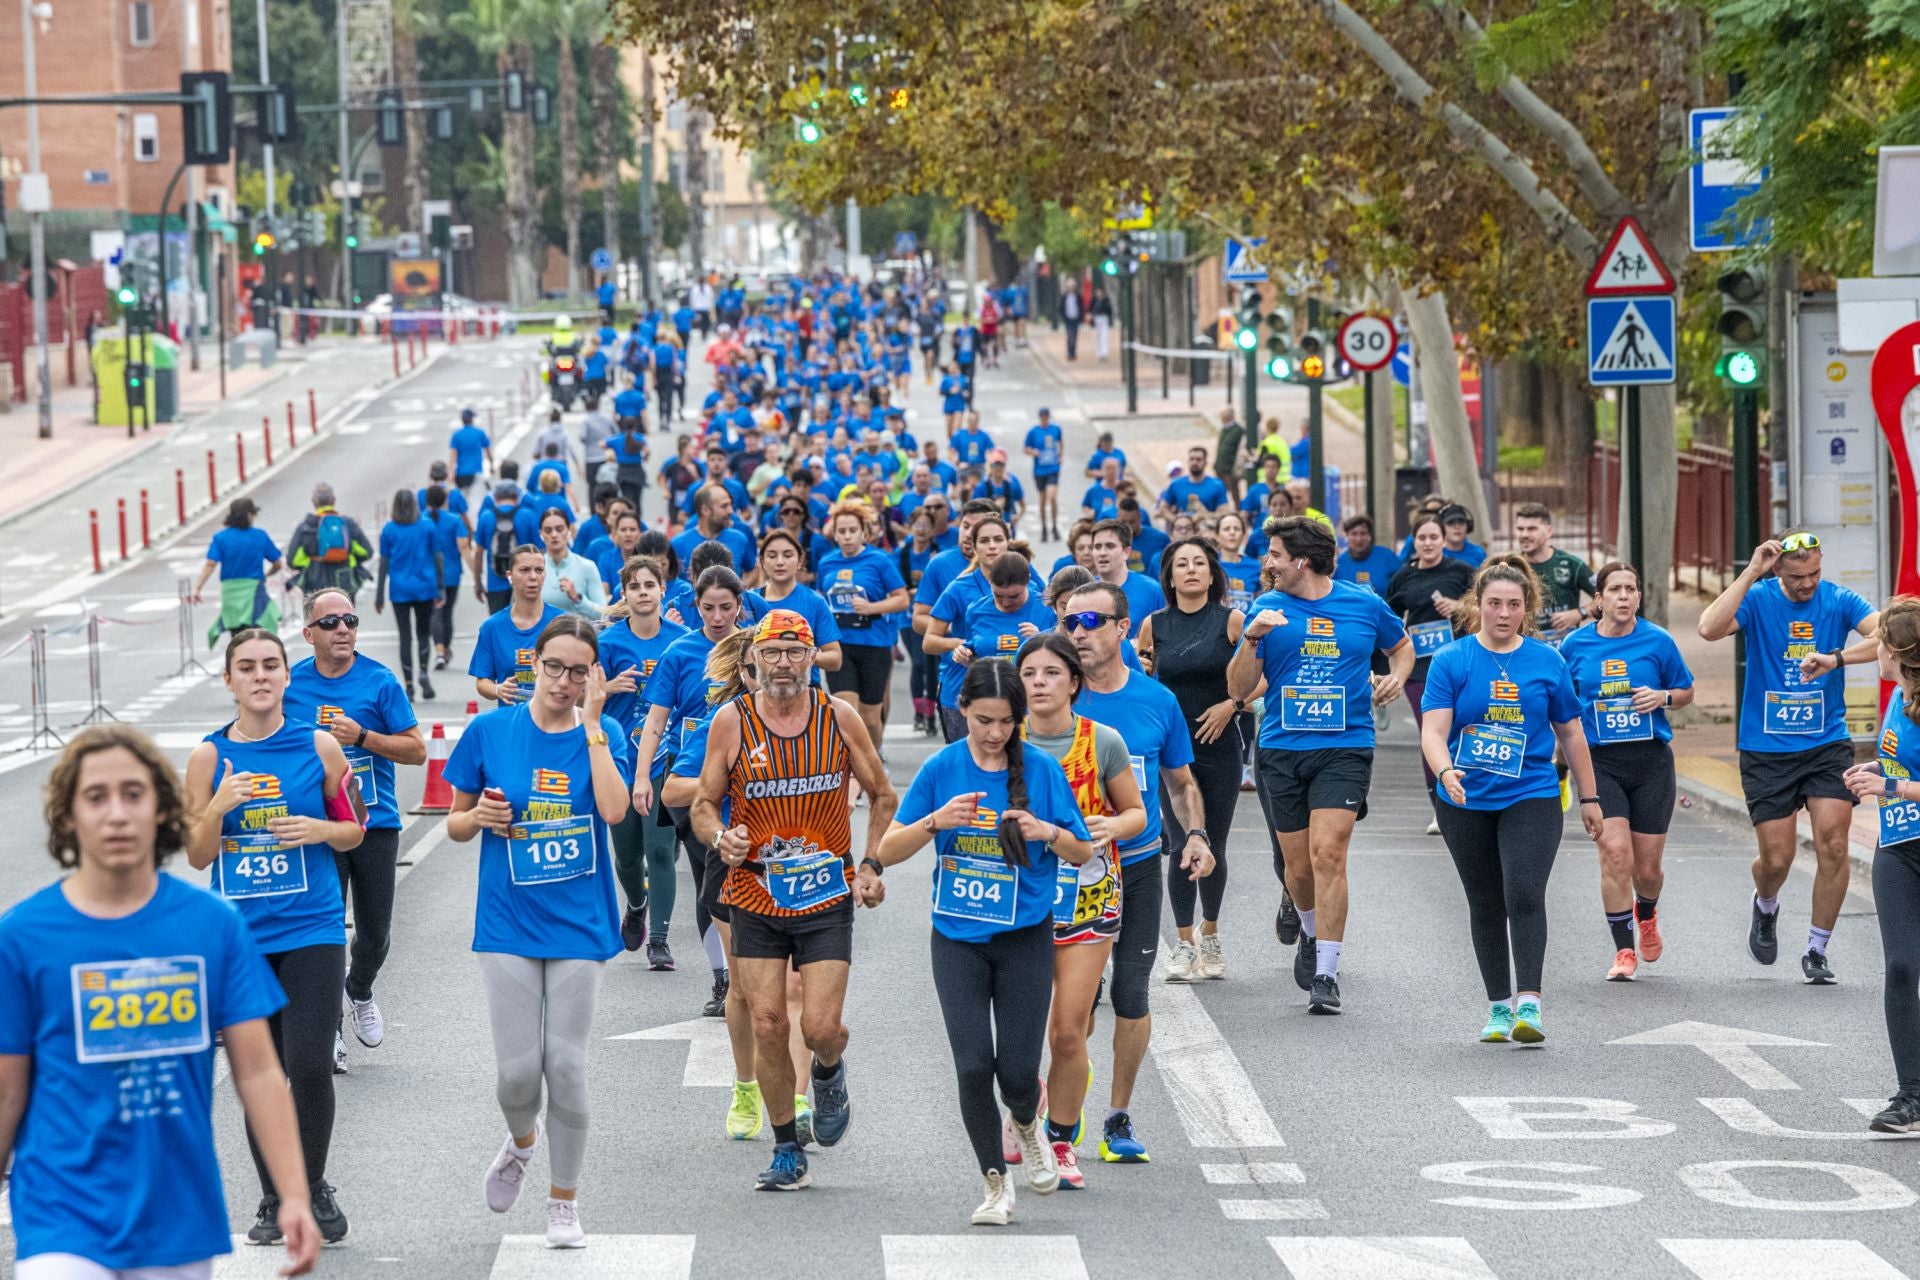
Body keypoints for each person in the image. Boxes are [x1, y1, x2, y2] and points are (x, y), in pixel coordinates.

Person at [0, 726, 323, 1278]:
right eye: (95, 798)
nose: (117, 814)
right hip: (62, 1210)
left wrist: (295, 1194)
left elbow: (260, 1073)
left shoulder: (212, 926)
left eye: (134, 793)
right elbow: (9, 1088)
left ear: (161, 809)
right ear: (68, 817)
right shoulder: (25, 935)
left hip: (178, 1215)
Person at [863, 658, 1090, 1221]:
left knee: (1016, 1071)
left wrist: (1048, 832)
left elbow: (1083, 851)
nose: (994, 733)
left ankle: (1027, 1123)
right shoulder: (943, 768)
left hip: (1023, 938)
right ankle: (996, 1185)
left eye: (1006, 722)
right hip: (957, 939)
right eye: (983, 719)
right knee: (970, 1067)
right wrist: (936, 821)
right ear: (961, 710)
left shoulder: (1039, 770)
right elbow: (886, 852)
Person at [691, 610, 897, 1191]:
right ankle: (786, 1147)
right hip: (754, 891)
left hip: (825, 893)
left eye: (795, 651)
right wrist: (718, 836)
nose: (783, 662)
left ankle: (829, 1073)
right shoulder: (731, 722)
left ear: (812, 658)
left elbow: (883, 795)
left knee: (822, 1027)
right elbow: (705, 802)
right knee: (767, 1021)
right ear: (754, 658)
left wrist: (872, 864)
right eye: (773, 652)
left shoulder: (839, 717)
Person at [444, 616, 632, 1248]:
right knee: (518, 1075)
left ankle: (564, 1202)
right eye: (554, 666)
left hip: (580, 920)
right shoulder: (491, 730)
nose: (563, 681)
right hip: (507, 920)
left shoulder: (601, 734)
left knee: (568, 1064)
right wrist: (478, 815)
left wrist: (595, 728)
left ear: (593, 676)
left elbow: (613, 810)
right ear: (534, 664)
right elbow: (453, 825)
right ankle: (522, 1145)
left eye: (579, 671)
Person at [184, 628, 365, 1245]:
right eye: (246, 667)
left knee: (309, 1064)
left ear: (288, 676)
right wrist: (217, 806)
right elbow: (196, 855)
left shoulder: (319, 747)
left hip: (312, 926)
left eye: (271, 665)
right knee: (259, 1075)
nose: (260, 676)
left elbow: (354, 832)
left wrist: (320, 827)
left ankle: (309, 1187)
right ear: (229, 680)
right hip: (239, 941)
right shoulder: (209, 758)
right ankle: (271, 1198)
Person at [1228, 518, 1413, 1013]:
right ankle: (1310, 932)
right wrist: (1251, 639)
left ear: (1300, 561)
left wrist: (1396, 677)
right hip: (1282, 748)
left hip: (1345, 746)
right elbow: (1238, 690)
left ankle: (1327, 975)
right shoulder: (1266, 608)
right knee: (1298, 867)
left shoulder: (1363, 604)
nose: (1266, 563)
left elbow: (1402, 646)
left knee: (1328, 854)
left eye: (1274, 555)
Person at [1419, 560, 1602, 1043]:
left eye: (1514, 605)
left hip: (1532, 793)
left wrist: (1590, 796)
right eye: (1494, 604)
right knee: (1485, 901)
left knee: (1523, 892)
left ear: (1528, 609)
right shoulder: (1451, 660)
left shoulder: (1547, 661)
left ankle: (1530, 1005)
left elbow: (1572, 732)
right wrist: (1445, 770)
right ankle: (1498, 1007)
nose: (1503, 614)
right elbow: (1433, 731)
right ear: (1477, 606)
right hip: (1464, 798)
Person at [1062, 581, 1213, 1162]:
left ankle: (1118, 1117)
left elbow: (1179, 783)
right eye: (1070, 622)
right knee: (1072, 1008)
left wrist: (1195, 835)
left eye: (1092, 620)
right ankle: (1063, 1103)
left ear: (1123, 629)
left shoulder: (1157, 701)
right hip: (1070, 872)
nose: (1079, 632)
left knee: (1130, 993)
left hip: (1140, 864)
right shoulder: (1055, 698)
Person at [1698, 532, 1881, 984]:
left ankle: (1817, 949)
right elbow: (1708, 628)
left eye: (1815, 572)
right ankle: (1765, 906)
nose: (1808, 584)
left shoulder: (1838, 599)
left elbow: (1889, 637)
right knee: (1776, 860)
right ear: (1779, 570)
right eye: (1798, 576)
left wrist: (1837, 659)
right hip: (1766, 748)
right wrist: (1751, 571)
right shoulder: (1759, 598)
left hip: (1826, 743)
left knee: (1834, 845)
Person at [1005, 633, 1143, 1188]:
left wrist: (1113, 824)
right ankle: (1020, 1117)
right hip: (1017, 900)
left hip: (1087, 897)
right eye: (1030, 674)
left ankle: (1061, 1142)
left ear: (1074, 683)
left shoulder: (1101, 740)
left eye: (1051, 673)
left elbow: (1135, 812)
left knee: (1067, 1031)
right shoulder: (1001, 739)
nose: (1039, 683)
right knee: (1019, 1032)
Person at [284, 589, 424, 1075]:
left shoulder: (380, 683)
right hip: (319, 827)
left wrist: (362, 737)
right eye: (330, 623)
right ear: (309, 634)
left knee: (375, 936)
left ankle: (359, 988)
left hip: (373, 824)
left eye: (350, 620)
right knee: (324, 933)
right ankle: (331, 1035)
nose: (343, 629)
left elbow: (416, 751)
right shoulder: (292, 686)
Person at [1558, 561, 1695, 981]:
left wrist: (1663, 698)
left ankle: (1647, 914)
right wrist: (1560, 761)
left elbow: (1686, 690)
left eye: (1630, 589)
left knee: (1647, 869)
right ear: (1597, 600)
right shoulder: (1575, 646)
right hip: (1601, 763)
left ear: (1638, 596)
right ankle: (1624, 951)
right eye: (1614, 589)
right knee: (1615, 853)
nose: (1623, 596)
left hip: (1651, 761)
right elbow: (1560, 706)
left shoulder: (1658, 641)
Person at [636, 567, 750, 1027]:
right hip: (690, 783)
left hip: (749, 785)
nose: (718, 616)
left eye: (727, 607)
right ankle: (724, 978)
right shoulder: (680, 651)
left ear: (740, 605)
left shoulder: (755, 648)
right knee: (711, 886)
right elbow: (657, 720)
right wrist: (644, 776)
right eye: (708, 608)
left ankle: (752, 973)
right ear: (695, 606)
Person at [1145, 538, 1256, 984]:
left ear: (1212, 575)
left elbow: (1262, 676)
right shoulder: (1154, 625)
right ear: (1169, 577)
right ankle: (1184, 942)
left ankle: (1210, 935)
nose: (1190, 570)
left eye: (1199, 564)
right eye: (1181, 565)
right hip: (1172, 750)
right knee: (1178, 843)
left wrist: (1232, 704)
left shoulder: (1232, 621)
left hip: (1220, 744)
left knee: (1213, 843)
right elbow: (1144, 680)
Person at [1842, 598, 1920, 1131]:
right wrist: (1875, 767)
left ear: (1895, 651)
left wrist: (1890, 784)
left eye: (1879, 643)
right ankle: (1910, 1096)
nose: (1873, 651)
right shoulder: (1897, 697)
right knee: (1899, 967)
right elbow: (1902, 761)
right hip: (1897, 846)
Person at [598, 557, 690, 968]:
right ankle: (637, 903)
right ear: (625, 595)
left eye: (649, 585)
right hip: (620, 761)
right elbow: (584, 694)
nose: (642, 592)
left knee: (660, 847)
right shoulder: (609, 642)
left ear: (662, 590)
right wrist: (608, 687)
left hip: (664, 759)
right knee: (628, 856)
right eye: (634, 586)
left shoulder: (681, 640)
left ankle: (660, 939)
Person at [1385, 514, 1476, 833]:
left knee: (1461, 731)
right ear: (1414, 541)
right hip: (1421, 668)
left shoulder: (1462, 572)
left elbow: (1486, 609)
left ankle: (1468, 797)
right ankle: (1439, 806)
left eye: (1433, 537)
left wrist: (1459, 608)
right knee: (1431, 733)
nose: (1427, 543)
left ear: (1443, 540)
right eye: (1421, 538)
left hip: (1461, 664)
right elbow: (1388, 621)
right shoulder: (1403, 577)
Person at [815, 499, 909, 749]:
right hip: (840, 645)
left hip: (874, 645)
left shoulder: (880, 560)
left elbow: (902, 599)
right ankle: (851, 770)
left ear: (863, 532)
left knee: (869, 718)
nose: (847, 536)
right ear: (834, 533)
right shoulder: (827, 563)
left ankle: (874, 760)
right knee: (845, 712)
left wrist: (871, 608)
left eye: (852, 531)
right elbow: (821, 601)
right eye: (841, 531)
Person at [470, 547, 565, 706]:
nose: (533, 577)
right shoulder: (492, 627)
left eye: (539, 570)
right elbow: (482, 681)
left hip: (555, 720)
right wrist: (497, 689)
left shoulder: (562, 622)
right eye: (525, 570)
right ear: (510, 576)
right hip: (511, 721)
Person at [375, 489, 444, 702]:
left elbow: (384, 563)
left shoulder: (389, 530)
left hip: (400, 589)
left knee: (405, 636)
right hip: (425, 586)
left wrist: (379, 594)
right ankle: (423, 670)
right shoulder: (427, 526)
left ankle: (409, 685)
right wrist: (441, 586)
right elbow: (437, 558)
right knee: (423, 633)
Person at [193, 498, 283, 646]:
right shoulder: (259, 536)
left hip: (230, 594)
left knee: (237, 637)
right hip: (254, 591)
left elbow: (210, 564)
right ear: (249, 515)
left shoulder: (220, 537)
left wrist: (198, 588)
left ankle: (238, 665)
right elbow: (278, 563)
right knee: (259, 633)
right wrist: (267, 574)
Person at [1513, 503, 1594, 639]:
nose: (1524, 534)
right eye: (1520, 529)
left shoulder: (1571, 565)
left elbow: (1605, 598)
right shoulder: (1511, 567)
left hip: (1564, 650)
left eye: (1532, 529)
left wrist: (1580, 613)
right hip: (1525, 650)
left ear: (1549, 531)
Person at [287, 485, 374, 606]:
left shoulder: (306, 527)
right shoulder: (347, 524)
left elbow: (292, 560)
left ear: (313, 501)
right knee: (344, 621)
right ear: (333, 500)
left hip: (315, 585)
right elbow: (367, 551)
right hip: (344, 582)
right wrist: (347, 556)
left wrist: (311, 562)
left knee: (318, 621)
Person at [1087, 519, 1165, 638]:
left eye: (1110, 546)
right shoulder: (1084, 593)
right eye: (1097, 547)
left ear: (1126, 552)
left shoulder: (1152, 590)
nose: (1102, 553)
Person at [423, 484, 470, 672]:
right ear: (445, 501)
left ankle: (439, 651)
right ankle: (445, 649)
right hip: (452, 574)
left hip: (430, 575)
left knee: (435, 613)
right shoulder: (454, 520)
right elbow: (463, 546)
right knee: (447, 612)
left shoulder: (422, 520)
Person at [537, 506, 608, 620]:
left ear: (569, 530)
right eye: (548, 530)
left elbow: (604, 614)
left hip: (578, 635)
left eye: (559, 529)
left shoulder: (587, 566)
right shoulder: (535, 569)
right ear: (541, 534)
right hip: (542, 636)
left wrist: (577, 598)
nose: (554, 535)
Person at [1023, 407, 1065, 541]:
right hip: (1039, 470)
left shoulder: (1055, 429)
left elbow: (1060, 441)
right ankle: (1044, 528)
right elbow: (1025, 448)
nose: (1044, 419)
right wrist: (1033, 452)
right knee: (1042, 500)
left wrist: (1060, 454)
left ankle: (1054, 525)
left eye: (1046, 416)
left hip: (1053, 468)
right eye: (1042, 416)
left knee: (1052, 497)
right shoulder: (1034, 431)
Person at [1333, 514, 1399, 596]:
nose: (1359, 539)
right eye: (1354, 534)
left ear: (1370, 536)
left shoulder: (1387, 557)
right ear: (1347, 536)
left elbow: (1402, 586)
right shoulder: (1338, 564)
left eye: (1363, 533)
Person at [1159, 446, 1230, 520]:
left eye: (1198, 460)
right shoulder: (1176, 484)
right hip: (1183, 529)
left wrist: (1207, 515)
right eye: (1191, 459)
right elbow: (1163, 508)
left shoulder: (1217, 485)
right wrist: (1176, 521)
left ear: (1205, 462)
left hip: (1207, 528)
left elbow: (1225, 513)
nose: (1194, 462)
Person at [449, 407, 493, 490]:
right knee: (476, 500)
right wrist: (491, 466)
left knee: (463, 499)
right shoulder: (480, 433)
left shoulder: (456, 435)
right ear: (472, 419)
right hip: (476, 472)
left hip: (460, 473)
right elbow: (488, 452)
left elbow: (453, 457)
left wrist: (450, 473)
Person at [1214, 408, 1245, 506]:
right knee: (1221, 489)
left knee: (1234, 490)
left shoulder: (1238, 431)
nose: (1221, 419)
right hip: (1220, 466)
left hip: (1231, 467)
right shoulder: (1224, 429)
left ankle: (1238, 508)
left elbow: (1240, 449)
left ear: (1227, 417)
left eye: (1222, 417)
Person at [1060, 283, 1084, 360]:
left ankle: (1073, 352)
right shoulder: (1064, 296)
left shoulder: (1077, 296)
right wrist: (1063, 317)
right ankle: (1069, 352)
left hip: (1075, 318)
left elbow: (1081, 307)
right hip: (1068, 319)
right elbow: (1061, 307)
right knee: (1070, 336)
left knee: (1075, 336)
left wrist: (1081, 318)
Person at [1089, 288, 1113, 360]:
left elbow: (1109, 311)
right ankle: (1099, 353)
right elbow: (1091, 310)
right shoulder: (1094, 301)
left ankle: (1104, 353)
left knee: (1104, 336)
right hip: (1096, 319)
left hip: (1104, 319)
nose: (1099, 294)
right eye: (1097, 292)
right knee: (1097, 336)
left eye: (1100, 292)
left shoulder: (1106, 300)